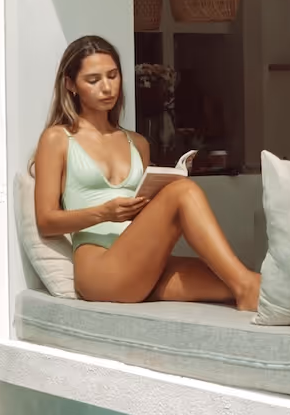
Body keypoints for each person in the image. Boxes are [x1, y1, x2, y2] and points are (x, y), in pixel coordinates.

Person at [32, 33, 261, 310]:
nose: (107, 87)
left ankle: (251, 290)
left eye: (113, 76)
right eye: (93, 80)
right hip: (100, 270)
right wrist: (104, 213)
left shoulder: (137, 143)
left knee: (249, 282)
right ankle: (246, 290)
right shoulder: (57, 139)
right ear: (71, 85)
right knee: (183, 192)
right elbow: (46, 221)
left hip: (141, 262)